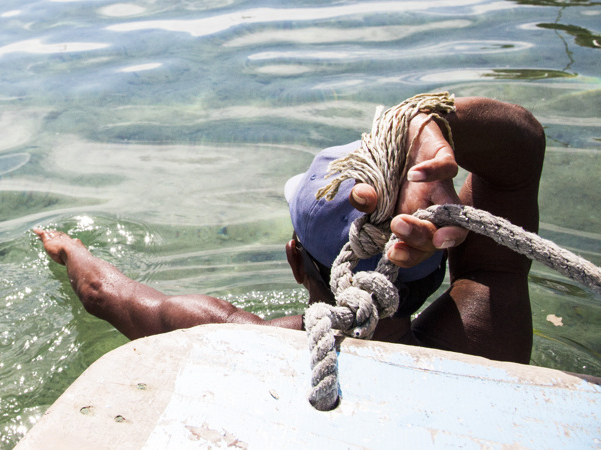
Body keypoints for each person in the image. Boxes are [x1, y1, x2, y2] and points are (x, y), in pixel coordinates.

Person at [34, 96, 544, 364]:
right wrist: (420, 123)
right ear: (443, 262)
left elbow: (104, 293)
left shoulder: (239, 342)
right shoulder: (487, 332)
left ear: (294, 260)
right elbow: (521, 146)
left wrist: (70, 249)